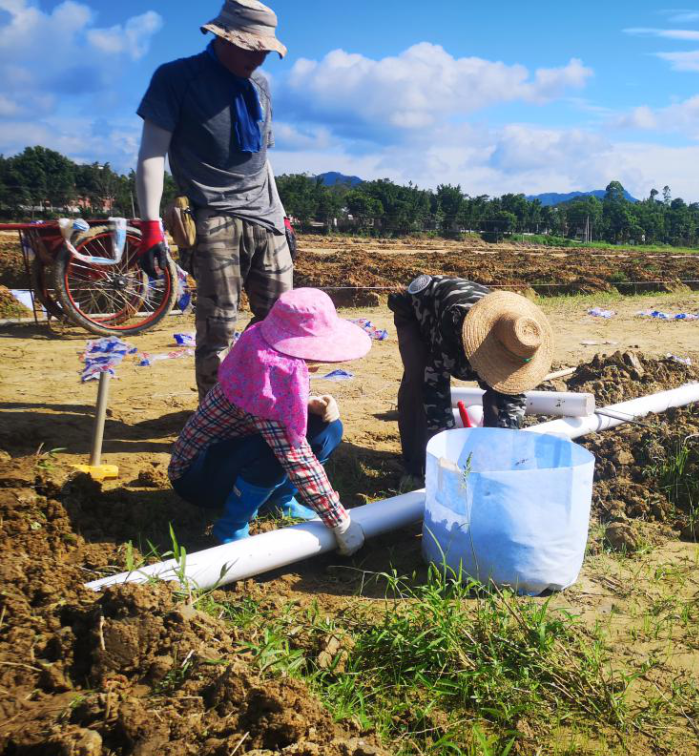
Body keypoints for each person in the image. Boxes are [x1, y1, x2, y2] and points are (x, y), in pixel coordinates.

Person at [134, 0, 293, 400]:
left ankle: (271, 408)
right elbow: (152, 153)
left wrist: (283, 219)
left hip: (266, 219)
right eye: (250, 48)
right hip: (215, 219)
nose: (259, 58)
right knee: (218, 327)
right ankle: (214, 417)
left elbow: (263, 160)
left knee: (281, 325)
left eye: (264, 51)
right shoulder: (177, 78)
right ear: (224, 37)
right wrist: (150, 225)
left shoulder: (260, 86)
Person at [168, 288, 370, 554]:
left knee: (328, 428)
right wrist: (340, 521)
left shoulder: (270, 347)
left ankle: (280, 499)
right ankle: (231, 525)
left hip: (230, 452)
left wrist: (310, 403)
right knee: (278, 453)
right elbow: (296, 457)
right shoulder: (269, 373)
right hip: (197, 475)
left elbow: (284, 402)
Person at [388, 275, 554, 486]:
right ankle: (416, 469)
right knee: (417, 382)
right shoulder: (456, 326)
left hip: (468, 320)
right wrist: (447, 455)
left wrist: (503, 452)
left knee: (500, 393)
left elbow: (512, 401)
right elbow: (433, 387)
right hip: (419, 308)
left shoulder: (517, 339)